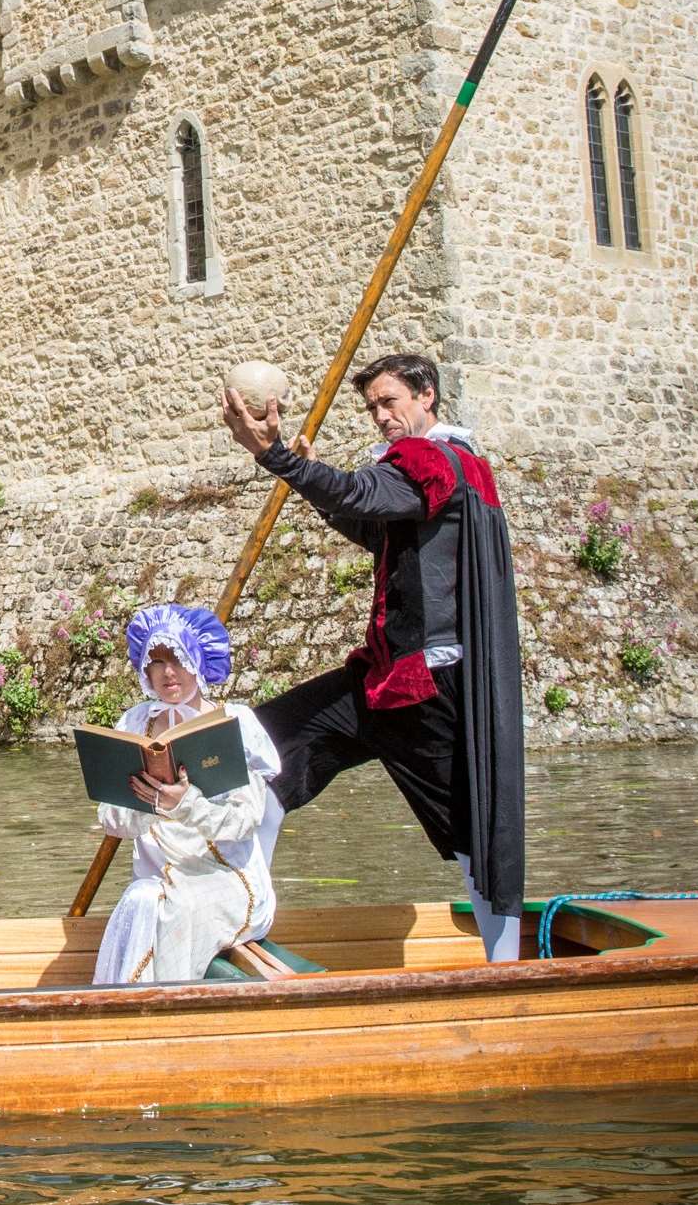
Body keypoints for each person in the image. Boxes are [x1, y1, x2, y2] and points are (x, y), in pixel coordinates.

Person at [222, 351, 525, 961]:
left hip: (425, 689)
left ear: (427, 396)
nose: (381, 417)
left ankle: (506, 970)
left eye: (390, 402)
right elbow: (372, 524)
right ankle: (241, 924)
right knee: (262, 750)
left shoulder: (430, 458)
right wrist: (305, 478)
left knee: (473, 835)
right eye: (372, 408)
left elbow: (363, 492)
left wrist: (273, 455)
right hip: (384, 682)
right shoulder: (456, 467)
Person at [91, 605, 280, 985]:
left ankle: (171, 1006)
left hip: (228, 881)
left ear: (197, 658)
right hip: (158, 879)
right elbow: (111, 820)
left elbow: (244, 823)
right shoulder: (134, 723)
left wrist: (186, 804)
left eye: (177, 657)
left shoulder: (235, 721)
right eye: (156, 661)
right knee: (142, 898)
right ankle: (128, 1007)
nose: (167, 672)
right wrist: (150, 805)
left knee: (173, 905)